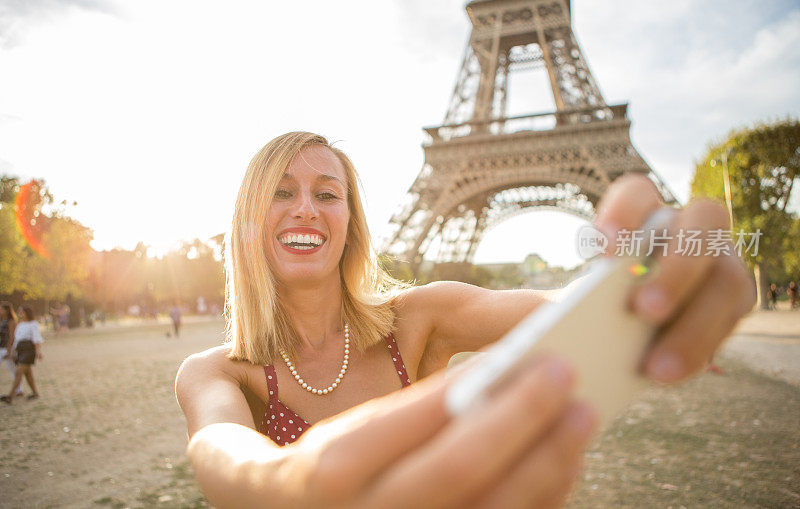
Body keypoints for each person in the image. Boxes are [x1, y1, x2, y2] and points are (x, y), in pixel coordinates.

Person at [176, 132, 755, 507]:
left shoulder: (420, 317)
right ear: (249, 222)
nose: (305, 207)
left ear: (351, 223)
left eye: (327, 194)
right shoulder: (215, 373)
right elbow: (220, 454)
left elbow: (561, 308)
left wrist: (654, 267)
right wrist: (280, 482)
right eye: (282, 192)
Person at [1, 306, 43, 404]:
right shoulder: (20, 324)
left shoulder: (33, 324)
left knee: (19, 372)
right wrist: (13, 351)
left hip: (29, 349)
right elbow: (16, 339)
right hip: (21, 349)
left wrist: (38, 351)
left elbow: (37, 339)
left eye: (21, 312)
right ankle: (35, 393)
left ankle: (10, 396)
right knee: (28, 374)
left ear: (27, 313)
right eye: (19, 311)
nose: (19, 313)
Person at [0, 302, 24, 397]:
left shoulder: (11, 321)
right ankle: (19, 390)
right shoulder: (1, 321)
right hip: (0, 347)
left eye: (1, 309)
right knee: (13, 369)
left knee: (13, 370)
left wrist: (9, 350)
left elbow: (11, 337)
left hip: (6, 349)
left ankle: (19, 390)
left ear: (6, 310)